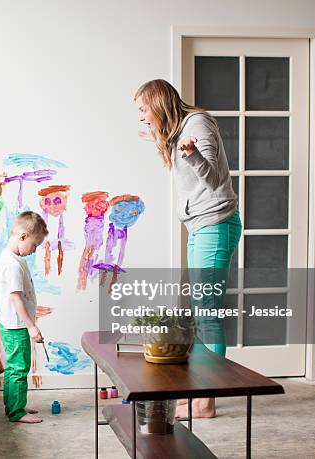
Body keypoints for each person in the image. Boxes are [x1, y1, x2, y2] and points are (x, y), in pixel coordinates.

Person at [134, 79, 242, 418]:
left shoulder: (197, 124)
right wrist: (159, 139)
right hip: (200, 227)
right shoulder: (179, 130)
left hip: (216, 224)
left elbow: (212, 179)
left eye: (143, 110)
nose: (141, 117)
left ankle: (206, 401)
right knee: (199, 311)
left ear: (158, 104)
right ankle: (198, 392)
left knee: (208, 311)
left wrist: (192, 153)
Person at [0, 210, 49, 423]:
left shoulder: (10, 258)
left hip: (10, 322)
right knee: (19, 367)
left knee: (13, 366)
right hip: (16, 325)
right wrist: (31, 327)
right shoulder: (13, 265)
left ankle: (14, 406)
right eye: (34, 245)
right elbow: (16, 298)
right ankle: (17, 413)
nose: (34, 250)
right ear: (23, 237)